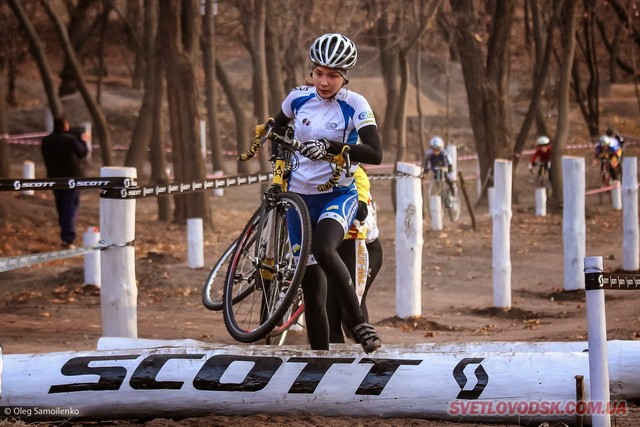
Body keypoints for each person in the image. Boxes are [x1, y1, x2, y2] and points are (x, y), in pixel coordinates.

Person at [263, 33, 383, 353]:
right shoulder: (298, 98)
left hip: (337, 194)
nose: (324, 81)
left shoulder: (355, 104)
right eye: (319, 72)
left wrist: (332, 147)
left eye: (333, 75)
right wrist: (279, 170)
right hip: (300, 199)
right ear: (311, 71)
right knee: (312, 291)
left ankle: (359, 323)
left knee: (324, 248)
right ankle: (319, 361)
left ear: (345, 77)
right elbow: (275, 131)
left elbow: (375, 153)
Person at [327, 166, 383, 343]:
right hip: (336, 251)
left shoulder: (356, 175)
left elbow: (360, 212)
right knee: (329, 310)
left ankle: (369, 357)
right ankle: (332, 362)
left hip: (364, 246)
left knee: (350, 310)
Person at [41, 116, 89, 248]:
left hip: (54, 178)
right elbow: (82, 153)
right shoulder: (71, 140)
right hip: (71, 178)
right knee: (70, 205)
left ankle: (65, 234)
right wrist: (82, 140)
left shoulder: (46, 140)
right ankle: (68, 237)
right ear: (65, 126)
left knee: (61, 206)